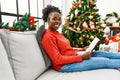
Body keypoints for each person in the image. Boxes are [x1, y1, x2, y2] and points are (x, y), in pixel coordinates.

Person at [39, 5, 120, 72]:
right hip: (64, 66)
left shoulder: (57, 33)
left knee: (102, 53)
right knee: (105, 61)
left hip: (72, 56)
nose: (58, 22)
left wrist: (82, 49)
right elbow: (57, 60)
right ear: (47, 20)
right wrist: (81, 57)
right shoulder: (48, 37)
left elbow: (68, 50)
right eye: (54, 19)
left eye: (59, 19)